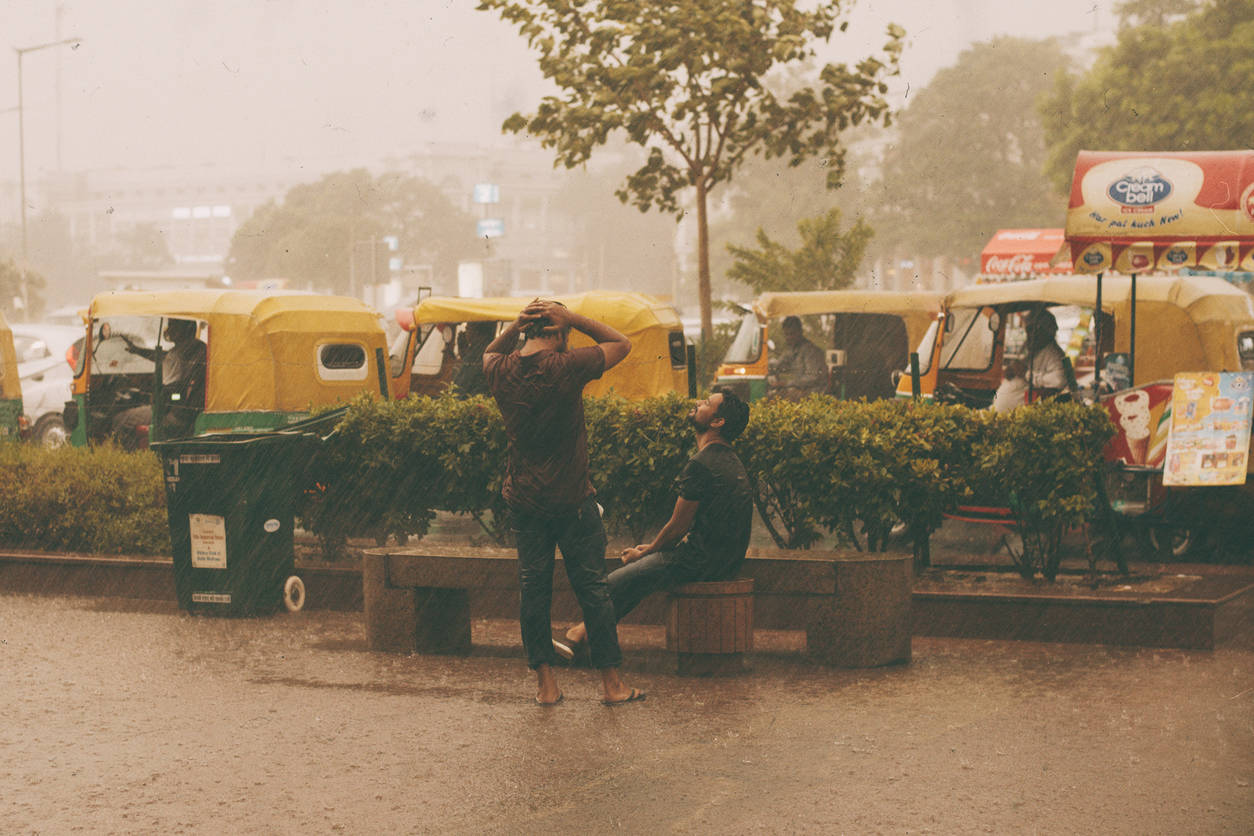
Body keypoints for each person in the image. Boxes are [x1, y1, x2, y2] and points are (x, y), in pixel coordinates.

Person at [483, 299, 643, 707]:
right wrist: (573, 318)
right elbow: (621, 343)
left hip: (524, 500)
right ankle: (611, 685)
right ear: (558, 332)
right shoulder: (567, 366)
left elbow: (489, 352)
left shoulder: (500, 370)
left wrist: (514, 326)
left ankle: (546, 685)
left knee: (532, 590)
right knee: (593, 591)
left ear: (526, 330)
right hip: (572, 500)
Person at [555, 387, 753, 658]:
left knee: (612, 583)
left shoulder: (702, 464)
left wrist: (646, 551)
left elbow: (677, 527)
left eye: (707, 403)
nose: (698, 403)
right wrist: (650, 550)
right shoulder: (730, 460)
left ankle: (590, 644)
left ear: (718, 422)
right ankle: (579, 634)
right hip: (723, 559)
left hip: (700, 561)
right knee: (638, 580)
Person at [112, 318, 207, 448]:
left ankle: (130, 461)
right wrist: (137, 350)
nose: (169, 329)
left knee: (121, 420)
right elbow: (162, 356)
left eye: (173, 325)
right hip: (183, 411)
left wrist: (154, 395)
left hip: (172, 413)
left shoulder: (181, 353)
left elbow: (171, 388)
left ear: (184, 329)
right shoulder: (195, 347)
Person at [767, 315, 827, 400]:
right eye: (786, 334)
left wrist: (786, 383)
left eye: (792, 334)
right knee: (771, 395)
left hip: (815, 392)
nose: (789, 337)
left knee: (776, 399)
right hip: (801, 389)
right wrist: (767, 367)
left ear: (800, 332)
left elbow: (812, 378)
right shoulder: (792, 349)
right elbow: (779, 364)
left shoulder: (810, 350)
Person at [1022, 308, 1069, 398]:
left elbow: (1059, 380)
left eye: (1031, 330)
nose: (1029, 335)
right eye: (1028, 330)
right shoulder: (1036, 351)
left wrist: (1026, 373)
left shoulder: (1054, 353)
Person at [451, 321, 496, 397]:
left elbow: (465, 381)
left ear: (477, 332)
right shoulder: (476, 349)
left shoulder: (482, 351)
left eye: (467, 329)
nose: (465, 333)